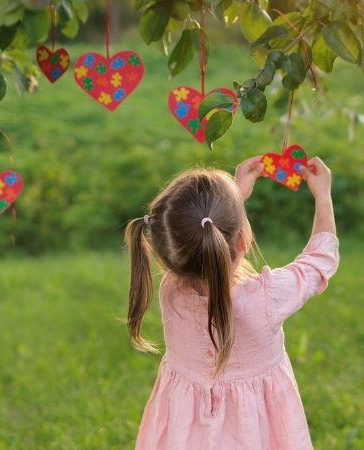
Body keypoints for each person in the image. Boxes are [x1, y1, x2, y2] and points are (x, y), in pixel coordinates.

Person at [125, 155, 339, 449]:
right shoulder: (266, 299)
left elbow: (204, 237)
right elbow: (319, 262)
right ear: (243, 241)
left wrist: (232, 197)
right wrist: (323, 194)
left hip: (187, 432)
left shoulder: (171, 291)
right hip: (252, 432)